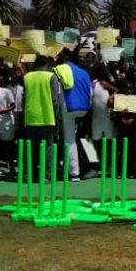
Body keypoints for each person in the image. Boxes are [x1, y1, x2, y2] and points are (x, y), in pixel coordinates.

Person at [54, 52, 93, 181]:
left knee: (69, 140)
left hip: (69, 107)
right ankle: (93, 166)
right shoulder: (84, 72)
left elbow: (58, 91)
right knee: (86, 138)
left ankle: (74, 172)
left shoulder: (59, 69)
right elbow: (90, 92)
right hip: (85, 108)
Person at [22, 55, 64, 166]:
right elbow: (55, 100)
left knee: (32, 147)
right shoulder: (51, 76)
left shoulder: (27, 77)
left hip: (31, 117)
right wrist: (57, 118)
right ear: (47, 64)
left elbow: (24, 98)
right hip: (47, 117)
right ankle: (47, 173)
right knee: (48, 146)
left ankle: (32, 171)